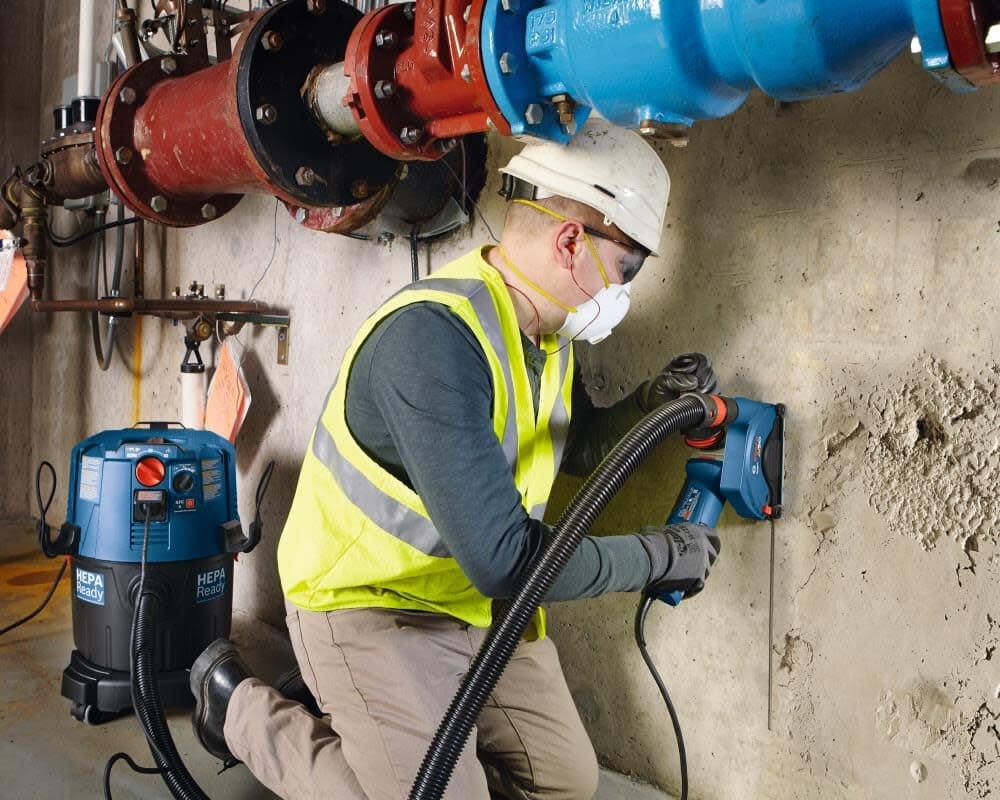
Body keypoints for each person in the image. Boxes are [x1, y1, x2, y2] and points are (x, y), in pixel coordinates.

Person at [190, 118, 721, 800]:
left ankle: (393, 740)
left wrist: (655, 399)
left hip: (473, 608)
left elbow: (578, 443)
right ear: (571, 243)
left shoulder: (546, 336)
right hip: (369, 609)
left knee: (566, 784)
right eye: (629, 265)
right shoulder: (435, 341)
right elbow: (506, 559)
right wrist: (659, 555)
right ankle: (237, 708)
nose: (626, 287)